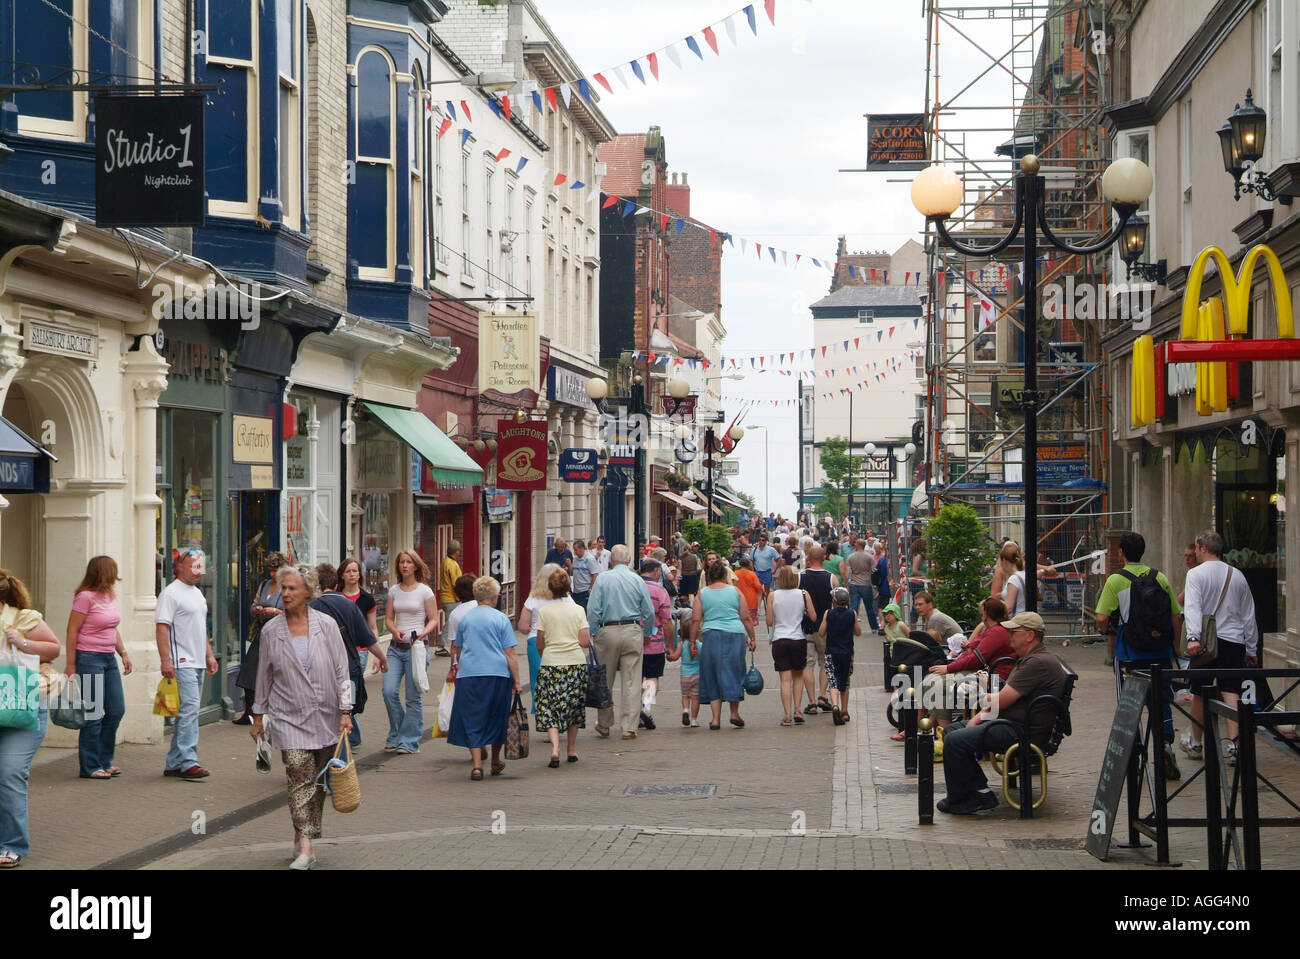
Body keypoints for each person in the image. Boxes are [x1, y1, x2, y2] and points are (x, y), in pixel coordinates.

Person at [249, 565, 352, 870]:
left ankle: (302, 832)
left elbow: (340, 670)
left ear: (308, 592)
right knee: (297, 772)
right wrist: (258, 717)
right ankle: (306, 848)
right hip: (288, 714)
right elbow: (264, 676)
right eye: (284, 588)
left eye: (293, 588)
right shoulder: (271, 631)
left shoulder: (327, 625)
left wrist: (345, 711)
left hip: (325, 713)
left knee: (316, 781)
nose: (287, 594)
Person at [937, 612, 1070, 815]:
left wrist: (978, 715)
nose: (1009, 636)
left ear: (1029, 635)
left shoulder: (1036, 663)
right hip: (1012, 722)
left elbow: (1001, 699)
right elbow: (1002, 698)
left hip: (1018, 730)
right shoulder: (1031, 658)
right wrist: (985, 707)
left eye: (1013, 632)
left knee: (956, 740)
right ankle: (979, 790)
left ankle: (965, 799)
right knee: (951, 731)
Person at [1095, 532, 1182, 779]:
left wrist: (1106, 631)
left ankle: (1133, 753)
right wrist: (1176, 647)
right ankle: (1164, 744)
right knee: (1161, 700)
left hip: (1129, 653)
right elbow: (1176, 615)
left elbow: (1102, 618)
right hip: (1160, 651)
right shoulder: (1160, 577)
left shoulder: (1115, 581)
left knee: (1129, 704)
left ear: (1121, 552)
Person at [0, 569, 61, 867]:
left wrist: (22, 642)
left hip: (20, 707)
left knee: (10, 772)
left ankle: (11, 844)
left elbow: (54, 648)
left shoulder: (22, 619)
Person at [1181, 530, 1258, 766]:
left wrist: (1192, 637)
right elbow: (1249, 615)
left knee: (1199, 692)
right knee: (1231, 690)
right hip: (1234, 641)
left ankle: (1196, 743)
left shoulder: (1195, 574)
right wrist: (1252, 648)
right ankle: (1234, 744)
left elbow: (1192, 607)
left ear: (1203, 548)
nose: (1194, 552)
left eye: (1196, 547)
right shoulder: (1238, 576)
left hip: (1206, 642)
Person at [449, 576, 523, 780]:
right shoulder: (500, 618)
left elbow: (458, 648)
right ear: (494, 597)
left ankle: (476, 765)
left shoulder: (466, 619)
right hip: (496, 674)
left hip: (469, 674)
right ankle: (495, 760)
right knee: (496, 716)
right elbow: (510, 653)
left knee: (474, 717)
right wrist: (517, 680)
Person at [65, 556, 132, 779]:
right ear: (104, 573)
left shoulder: (110, 595)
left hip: (108, 658)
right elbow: (72, 630)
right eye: (113, 571)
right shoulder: (84, 598)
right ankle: (90, 766)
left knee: (116, 710)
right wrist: (71, 664)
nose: (116, 575)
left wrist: (123, 653)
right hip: (89, 657)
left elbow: (112, 628)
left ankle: (104, 760)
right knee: (93, 714)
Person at [156, 550, 219, 779]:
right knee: (190, 709)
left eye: (200, 567)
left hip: (197, 660)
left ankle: (174, 762)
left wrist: (209, 655)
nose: (198, 571)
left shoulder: (197, 594)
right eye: (194, 566)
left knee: (189, 710)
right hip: (181, 661)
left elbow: (201, 629)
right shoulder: (170, 594)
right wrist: (166, 660)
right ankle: (188, 760)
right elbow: (162, 627)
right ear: (180, 567)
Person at [312, 564, 389, 750]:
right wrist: (383, 658)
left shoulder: (311, 607)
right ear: (337, 584)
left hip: (321, 672)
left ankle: (332, 756)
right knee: (345, 711)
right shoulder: (349, 606)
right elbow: (368, 639)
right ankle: (342, 759)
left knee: (327, 716)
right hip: (348, 673)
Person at [586, 545, 656, 740]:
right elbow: (649, 611)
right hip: (632, 629)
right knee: (632, 680)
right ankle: (629, 726)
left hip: (607, 629)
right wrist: (647, 632)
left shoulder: (602, 579)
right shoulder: (637, 579)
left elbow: (592, 610)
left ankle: (605, 723)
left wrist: (594, 631)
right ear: (629, 559)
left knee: (605, 679)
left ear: (611, 560)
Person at [382, 550, 437, 754]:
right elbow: (388, 618)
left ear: (415, 566)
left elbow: (433, 618)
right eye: (401, 562)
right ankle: (396, 732)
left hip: (416, 648)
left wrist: (423, 633)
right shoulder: (394, 591)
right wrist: (394, 630)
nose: (404, 565)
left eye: (408, 562)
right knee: (388, 691)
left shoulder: (424, 591)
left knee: (413, 697)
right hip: (396, 649)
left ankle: (409, 741)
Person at [692, 559, 757, 730]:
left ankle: (715, 719)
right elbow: (746, 617)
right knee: (734, 671)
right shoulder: (735, 592)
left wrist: (692, 641)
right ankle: (734, 714)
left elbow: (695, 619)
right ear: (725, 575)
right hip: (734, 635)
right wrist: (752, 638)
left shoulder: (702, 593)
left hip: (711, 635)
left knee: (712, 673)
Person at [534, 569, 591, 766]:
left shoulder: (544, 612)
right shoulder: (578, 610)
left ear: (550, 588)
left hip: (551, 663)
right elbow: (584, 642)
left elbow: (539, 643)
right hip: (575, 663)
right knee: (574, 707)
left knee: (550, 707)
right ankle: (571, 750)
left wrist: (546, 655)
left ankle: (555, 748)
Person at [234, 551, 286, 725]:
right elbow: (254, 604)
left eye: (276, 570)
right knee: (250, 671)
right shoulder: (265, 584)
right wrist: (257, 609)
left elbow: (294, 611)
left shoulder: (288, 586)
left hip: (280, 635)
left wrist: (274, 611)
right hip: (262, 632)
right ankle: (249, 712)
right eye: (270, 570)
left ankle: (272, 714)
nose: (272, 574)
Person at [767, 565, 814, 725]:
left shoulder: (773, 595)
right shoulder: (803, 594)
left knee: (785, 680)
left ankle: (787, 715)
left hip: (779, 639)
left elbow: (769, 621)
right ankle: (797, 709)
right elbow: (813, 617)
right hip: (798, 638)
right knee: (798, 676)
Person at [932, 597, 1016, 681]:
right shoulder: (995, 630)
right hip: (987, 675)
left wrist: (948, 668)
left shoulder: (996, 631)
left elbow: (976, 659)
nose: (982, 618)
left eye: (982, 614)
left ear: (987, 614)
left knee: (936, 682)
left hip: (994, 680)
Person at [799, 546, 839, 715]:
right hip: (825, 627)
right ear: (824, 558)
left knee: (808, 664)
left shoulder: (799, 577)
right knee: (824, 662)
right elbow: (839, 604)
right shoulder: (831, 578)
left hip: (805, 627)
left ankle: (811, 702)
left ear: (808, 558)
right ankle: (823, 696)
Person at [518, 564, 562, 715]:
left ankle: (542, 715)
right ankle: (557, 714)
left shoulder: (533, 598)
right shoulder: (565, 598)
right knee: (558, 678)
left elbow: (523, 626)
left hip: (535, 640)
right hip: (558, 640)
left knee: (538, 680)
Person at [637, 559, 675, 731]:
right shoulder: (660, 591)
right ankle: (646, 707)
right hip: (654, 642)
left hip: (633, 641)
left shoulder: (632, 587)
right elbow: (666, 621)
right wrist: (670, 646)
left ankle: (634, 713)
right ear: (656, 572)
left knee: (635, 679)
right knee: (652, 677)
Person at [818, 587, 860, 725]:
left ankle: (835, 705)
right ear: (847, 601)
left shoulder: (828, 613)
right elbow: (858, 632)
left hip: (831, 652)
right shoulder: (852, 613)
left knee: (833, 679)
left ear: (834, 601)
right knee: (845, 681)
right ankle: (845, 711)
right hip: (847, 652)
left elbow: (821, 632)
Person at [338, 557, 379, 674]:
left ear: (359, 574)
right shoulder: (337, 597)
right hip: (340, 649)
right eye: (348, 571)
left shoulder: (367, 599)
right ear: (342, 575)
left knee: (354, 686)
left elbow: (372, 628)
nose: (351, 574)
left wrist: (377, 655)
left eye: (354, 571)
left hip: (360, 650)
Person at [436, 541, 464, 656]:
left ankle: (446, 645)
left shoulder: (445, 561)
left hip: (446, 597)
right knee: (450, 622)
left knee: (450, 621)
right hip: (451, 598)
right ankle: (441, 646)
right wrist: (458, 596)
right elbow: (454, 583)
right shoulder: (452, 564)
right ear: (457, 551)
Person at [846, 539, 879, 632]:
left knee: (853, 607)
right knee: (869, 607)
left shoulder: (851, 557)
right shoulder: (869, 557)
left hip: (854, 584)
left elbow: (848, 571)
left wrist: (847, 584)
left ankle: (851, 627)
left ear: (857, 545)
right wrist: (874, 584)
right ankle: (874, 627)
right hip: (866, 584)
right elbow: (874, 570)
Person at [994, 542, 1028, 618]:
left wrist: (993, 615)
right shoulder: (1024, 574)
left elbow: (1009, 608)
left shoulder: (1013, 579)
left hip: (1016, 618)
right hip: (1026, 616)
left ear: (1004, 560)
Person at [680, 619, 703, 727]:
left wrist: (669, 656)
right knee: (695, 698)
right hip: (697, 675)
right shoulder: (699, 645)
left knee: (685, 695)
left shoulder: (682, 644)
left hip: (684, 675)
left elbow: (674, 656)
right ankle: (694, 720)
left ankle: (685, 710)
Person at [734, 558, 763, 631]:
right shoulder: (752, 574)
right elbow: (759, 588)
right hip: (751, 602)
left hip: (739, 601)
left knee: (740, 623)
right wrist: (759, 605)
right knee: (750, 623)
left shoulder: (735, 573)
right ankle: (750, 638)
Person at [570, 539, 598, 608]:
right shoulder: (575, 559)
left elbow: (595, 574)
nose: (575, 552)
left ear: (582, 548)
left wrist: (590, 589)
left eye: (576, 550)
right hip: (576, 591)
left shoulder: (590, 559)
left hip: (585, 591)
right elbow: (572, 573)